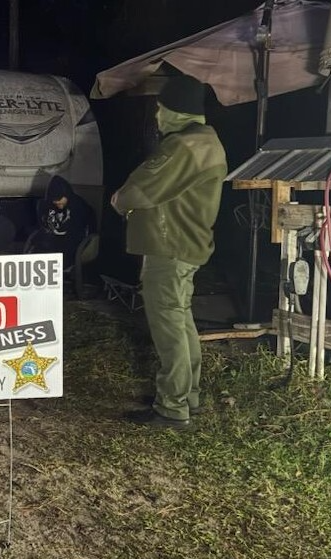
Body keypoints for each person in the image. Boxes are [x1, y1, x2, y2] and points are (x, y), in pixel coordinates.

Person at [110, 74, 228, 429]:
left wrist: (119, 201)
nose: (157, 115)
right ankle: (186, 396)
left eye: (161, 108)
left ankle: (172, 407)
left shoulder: (185, 146)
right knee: (181, 320)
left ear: (176, 110)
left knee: (169, 325)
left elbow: (139, 191)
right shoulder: (206, 142)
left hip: (170, 246)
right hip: (186, 245)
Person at [25, 175, 93, 269]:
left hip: (68, 244)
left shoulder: (79, 206)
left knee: (51, 264)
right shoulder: (45, 205)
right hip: (47, 243)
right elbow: (43, 225)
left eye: (61, 202)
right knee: (31, 260)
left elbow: (78, 231)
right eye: (56, 203)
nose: (59, 205)